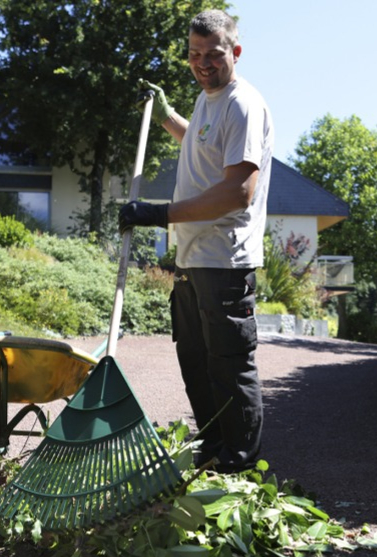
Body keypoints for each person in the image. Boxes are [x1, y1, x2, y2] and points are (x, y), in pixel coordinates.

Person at [119, 9, 273, 474]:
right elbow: (202, 145)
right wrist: (167, 117)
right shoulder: (209, 100)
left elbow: (237, 192)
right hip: (192, 257)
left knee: (228, 365)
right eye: (194, 54)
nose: (203, 63)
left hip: (224, 260)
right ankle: (211, 449)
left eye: (213, 54)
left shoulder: (243, 104)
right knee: (195, 362)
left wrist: (159, 214)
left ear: (235, 52)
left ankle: (240, 465)